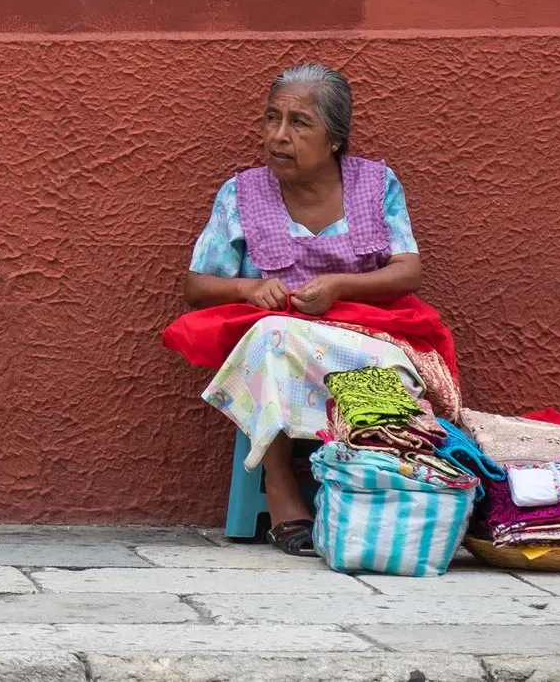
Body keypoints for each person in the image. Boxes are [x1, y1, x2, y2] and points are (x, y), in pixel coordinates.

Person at [166, 62, 451, 556]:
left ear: (335, 138)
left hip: (367, 335)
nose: (279, 136)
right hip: (280, 342)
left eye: (299, 123)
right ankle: (280, 488)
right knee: (272, 337)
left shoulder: (377, 184)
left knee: (381, 368)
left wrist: (341, 287)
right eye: (271, 119)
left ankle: (365, 483)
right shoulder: (241, 194)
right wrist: (249, 292)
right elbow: (196, 286)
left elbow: (409, 272)